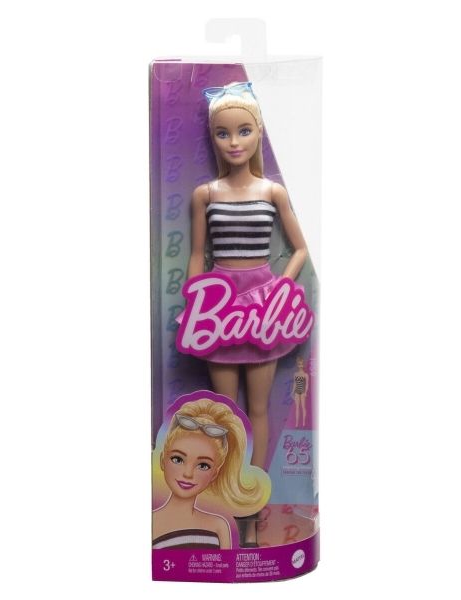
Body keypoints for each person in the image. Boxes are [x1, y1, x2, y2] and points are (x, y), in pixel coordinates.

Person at [184, 81, 310, 471]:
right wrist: (195, 306)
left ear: (259, 131)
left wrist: (281, 290)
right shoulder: (206, 194)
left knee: (258, 408)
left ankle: (254, 492)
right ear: (212, 137)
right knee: (226, 411)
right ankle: (227, 488)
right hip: (219, 305)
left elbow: (300, 248)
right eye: (222, 133)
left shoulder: (272, 192)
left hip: (262, 308)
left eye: (244, 130)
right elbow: (197, 254)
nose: (234, 142)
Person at [152, 397, 268, 550]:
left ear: (215, 473)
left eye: (203, 465)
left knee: (257, 407)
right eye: (177, 459)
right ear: (162, 460)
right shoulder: (151, 523)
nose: (188, 474)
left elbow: (227, 563)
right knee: (232, 399)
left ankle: (251, 530)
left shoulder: (219, 526)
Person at [291, 356, 310, 428]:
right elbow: (295, 384)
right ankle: (296, 424)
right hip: (297, 391)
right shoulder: (295, 374)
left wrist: (305, 392)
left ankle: (304, 423)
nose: (300, 365)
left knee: (303, 407)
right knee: (297, 408)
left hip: (302, 391)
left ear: (303, 364)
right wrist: (292, 392)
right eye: (299, 364)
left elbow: (307, 384)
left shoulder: (305, 375)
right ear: (297, 365)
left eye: (301, 364)